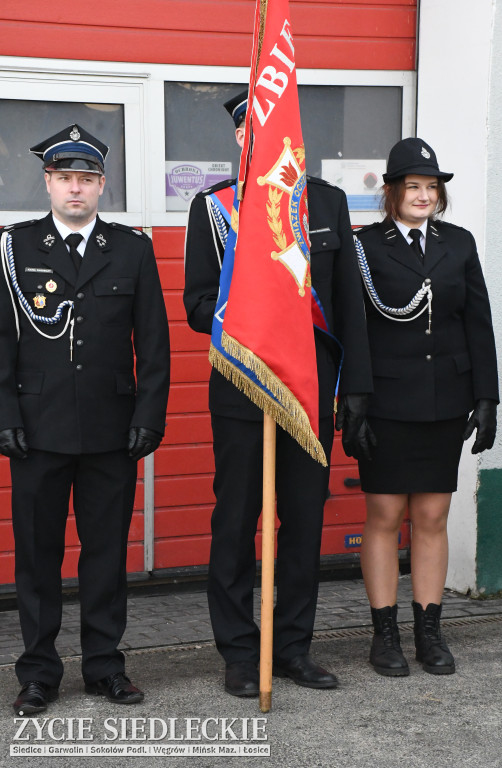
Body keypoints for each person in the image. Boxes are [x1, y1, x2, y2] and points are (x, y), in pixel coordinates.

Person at [183, 91, 373, 697]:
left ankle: (291, 647)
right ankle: (241, 654)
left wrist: (357, 393)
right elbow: (194, 304)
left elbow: (348, 309)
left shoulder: (327, 202)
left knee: (303, 521)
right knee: (236, 520)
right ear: (240, 139)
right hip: (241, 389)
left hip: (308, 389)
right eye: (248, 132)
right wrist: (256, 311)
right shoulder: (214, 208)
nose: (256, 139)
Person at [0, 124, 170, 714]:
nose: (76, 189)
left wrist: (150, 415)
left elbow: (153, 343)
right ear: (48, 182)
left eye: (88, 179)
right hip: (37, 427)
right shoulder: (14, 247)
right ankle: (39, 673)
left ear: (102, 185)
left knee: (105, 554)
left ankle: (104, 667)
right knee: (38, 555)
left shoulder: (132, 249)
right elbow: (1, 339)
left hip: (110, 429)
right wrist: (4, 414)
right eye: (66, 178)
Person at [352, 137, 499, 677]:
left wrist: (487, 397)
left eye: (431, 187)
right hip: (388, 400)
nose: (423, 195)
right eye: (412, 186)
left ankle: (429, 633)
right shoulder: (364, 246)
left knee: (433, 514)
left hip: (445, 398)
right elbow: (355, 327)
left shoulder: (457, 244)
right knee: (386, 514)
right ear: (391, 193)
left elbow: (476, 322)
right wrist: (356, 400)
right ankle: (384, 633)